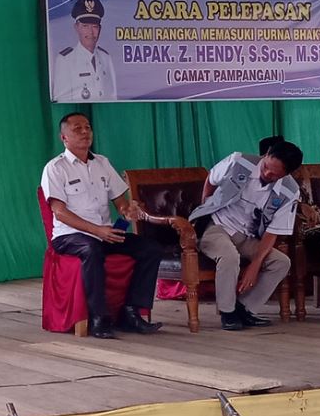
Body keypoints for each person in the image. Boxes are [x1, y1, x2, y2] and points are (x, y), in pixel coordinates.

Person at [40, 112, 163, 339]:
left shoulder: (102, 163)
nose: (85, 132)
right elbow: (60, 212)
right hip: (70, 236)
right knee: (91, 248)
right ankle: (99, 317)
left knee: (150, 248)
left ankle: (131, 312)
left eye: (87, 127)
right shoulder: (55, 168)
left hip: (104, 233)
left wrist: (128, 210)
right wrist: (97, 231)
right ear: (64, 137)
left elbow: (120, 201)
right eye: (77, 129)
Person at [189, 141, 303, 331]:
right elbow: (211, 179)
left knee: (281, 262)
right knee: (229, 256)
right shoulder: (238, 161)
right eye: (266, 167)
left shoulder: (289, 192)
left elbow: (273, 232)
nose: (267, 174)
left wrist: (255, 264)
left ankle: (244, 309)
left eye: (274, 174)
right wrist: (206, 206)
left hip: (246, 235)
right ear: (266, 154)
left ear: (287, 174)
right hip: (216, 225)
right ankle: (227, 312)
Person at [52, 0, 116, 102]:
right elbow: (61, 99)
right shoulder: (65, 60)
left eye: (95, 26)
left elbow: (113, 96)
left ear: (100, 29)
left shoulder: (106, 57)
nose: (91, 32)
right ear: (77, 27)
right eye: (85, 26)